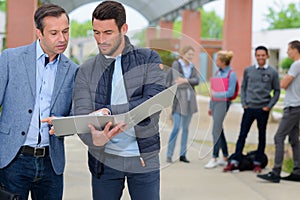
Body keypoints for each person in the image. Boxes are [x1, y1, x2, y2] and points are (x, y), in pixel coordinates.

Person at [72, 1, 165, 199]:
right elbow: (81, 113)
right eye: (96, 32)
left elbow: (154, 101)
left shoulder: (148, 59)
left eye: (108, 32)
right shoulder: (86, 70)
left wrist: (111, 112)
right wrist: (92, 139)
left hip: (143, 159)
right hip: (104, 162)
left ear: (124, 29)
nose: (101, 39)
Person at [0, 4, 78, 200]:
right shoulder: (10, 59)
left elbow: (73, 117)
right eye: (54, 33)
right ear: (39, 33)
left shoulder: (73, 70)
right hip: (13, 159)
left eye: (66, 31)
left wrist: (63, 124)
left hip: (51, 163)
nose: (62, 39)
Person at [224, 46, 280, 173]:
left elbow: (277, 91)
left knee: (261, 136)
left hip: (263, 109)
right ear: (255, 56)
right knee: (242, 135)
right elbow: (243, 87)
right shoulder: (248, 70)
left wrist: (269, 106)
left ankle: (257, 163)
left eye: (263, 55)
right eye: (258, 55)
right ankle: (235, 161)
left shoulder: (272, 72)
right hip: (249, 108)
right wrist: (244, 103)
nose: (260, 57)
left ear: (267, 56)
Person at [257, 40, 300, 183]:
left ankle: (276, 172)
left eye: (289, 49)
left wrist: (285, 81)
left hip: (293, 107)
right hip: (296, 105)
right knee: (294, 139)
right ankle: (297, 171)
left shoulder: (296, 64)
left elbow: (283, 84)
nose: (287, 52)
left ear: (295, 50)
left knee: (278, 137)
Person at [166, 46, 199, 163]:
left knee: (186, 129)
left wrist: (185, 80)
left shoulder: (192, 67)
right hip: (179, 101)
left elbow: (197, 81)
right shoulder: (176, 64)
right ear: (183, 54)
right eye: (188, 54)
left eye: (192, 55)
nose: (190, 57)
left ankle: (183, 154)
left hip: (190, 101)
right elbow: (176, 81)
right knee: (176, 128)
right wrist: (190, 81)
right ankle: (169, 154)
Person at [204, 50, 237, 169]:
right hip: (216, 104)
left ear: (223, 62)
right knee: (219, 128)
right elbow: (213, 91)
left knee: (215, 130)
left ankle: (214, 157)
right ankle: (226, 157)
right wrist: (210, 106)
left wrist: (216, 94)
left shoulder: (231, 74)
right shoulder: (218, 72)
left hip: (224, 104)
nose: (215, 62)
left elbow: (230, 92)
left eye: (217, 60)